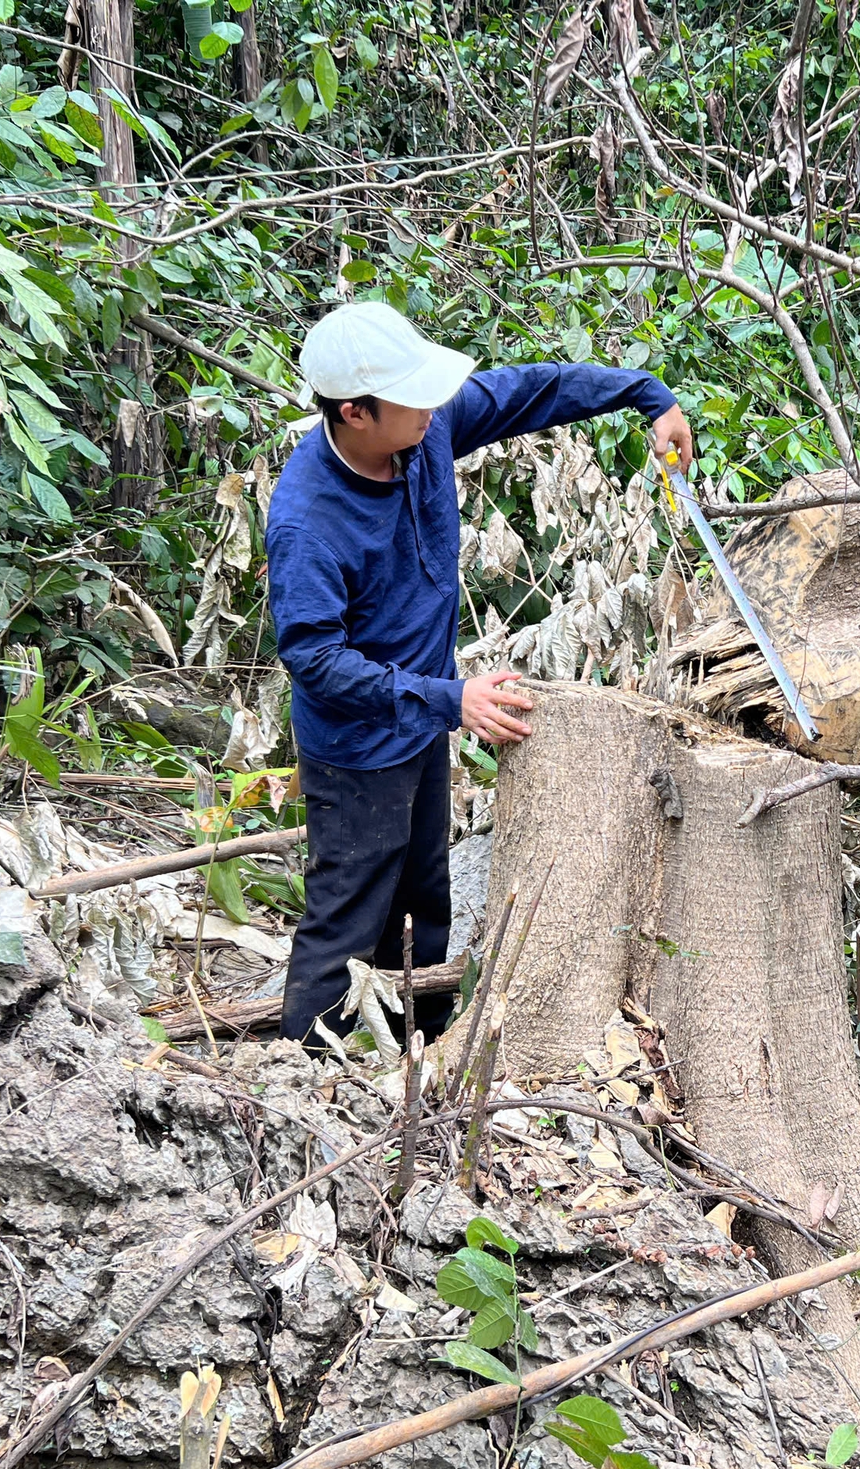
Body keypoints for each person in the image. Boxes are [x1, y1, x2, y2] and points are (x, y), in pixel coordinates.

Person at [265, 300, 693, 1045]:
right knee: (347, 916)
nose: (434, 405)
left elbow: (534, 390)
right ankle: (303, 1081)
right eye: (414, 395)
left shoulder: (426, 429)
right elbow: (315, 660)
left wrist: (648, 395)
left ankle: (422, 1054)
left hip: (425, 720)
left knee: (424, 903)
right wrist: (450, 698)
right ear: (355, 413)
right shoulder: (309, 520)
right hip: (357, 747)